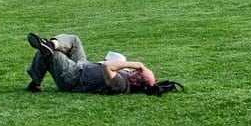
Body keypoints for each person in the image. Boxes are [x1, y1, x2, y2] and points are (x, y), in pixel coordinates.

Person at [24, 33, 181, 95]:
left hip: (73, 78)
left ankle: (38, 73)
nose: (135, 71)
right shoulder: (127, 77)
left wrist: (136, 63)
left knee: (51, 56)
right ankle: (51, 44)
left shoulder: (122, 85)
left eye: (138, 72)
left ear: (136, 79)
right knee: (74, 40)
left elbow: (108, 67)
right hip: (82, 66)